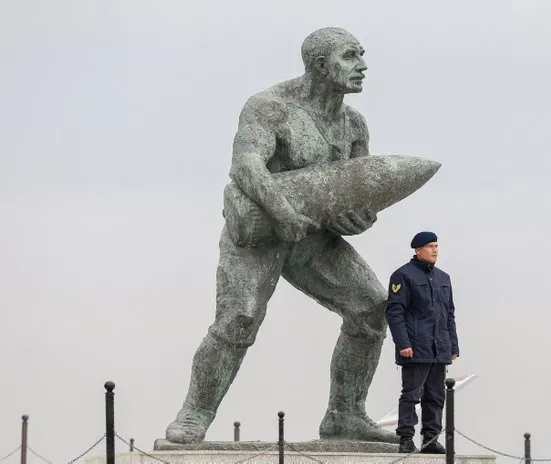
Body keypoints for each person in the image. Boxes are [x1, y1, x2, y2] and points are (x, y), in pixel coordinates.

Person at [165, 27, 399, 444]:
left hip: (314, 240)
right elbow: (246, 165)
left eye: (362, 55)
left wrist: (362, 218)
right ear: (321, 65)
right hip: (258, 235)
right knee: (239, 318)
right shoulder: (270, 107)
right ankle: (194, 413)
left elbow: (361, 191)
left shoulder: (354, 126)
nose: (362, 66)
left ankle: (344, 414)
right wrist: (282, 210)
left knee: (370, 307)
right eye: (350, 57)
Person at [385, 231, 460, 453]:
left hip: (439, 348)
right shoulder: (403, 276)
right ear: (417, 250)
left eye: (436, 245)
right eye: (430, 246)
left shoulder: (443, 278)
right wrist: (403, 343)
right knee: (411, 395)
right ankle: (406, 438)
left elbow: (449, 315)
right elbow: (395, 313)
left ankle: (430, 440)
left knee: (435, 397)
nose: (435, 250)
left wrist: (453, 346)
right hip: (415, 347)